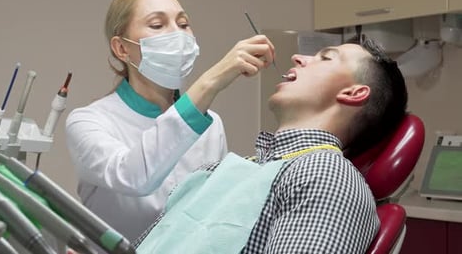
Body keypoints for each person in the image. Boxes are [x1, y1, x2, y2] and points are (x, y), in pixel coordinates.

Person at [131, 37, 408, 253]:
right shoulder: (218, 171)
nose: (298, 57)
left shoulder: (327, 177)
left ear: (353, 93)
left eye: (326, 58)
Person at [65, 0, 275, 243]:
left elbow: (212, 211)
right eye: (157, 25)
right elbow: (135, 177)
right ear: (121, 48)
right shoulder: (89, 121)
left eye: (183, 24)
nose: (178, 35)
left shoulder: (210, 124)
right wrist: (211, 81)